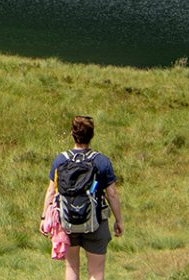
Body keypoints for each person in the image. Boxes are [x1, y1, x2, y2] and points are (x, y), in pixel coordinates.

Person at [40, 115, 122, 280]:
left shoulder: (60, 160)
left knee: (71, 268)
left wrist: (44, 217)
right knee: (96, 272)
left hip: (67, 221)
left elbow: (51, 191)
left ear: (72, 133)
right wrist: (118, 220)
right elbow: (111, 194)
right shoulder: (101, 161)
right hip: (96, 222)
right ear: (92, 135)